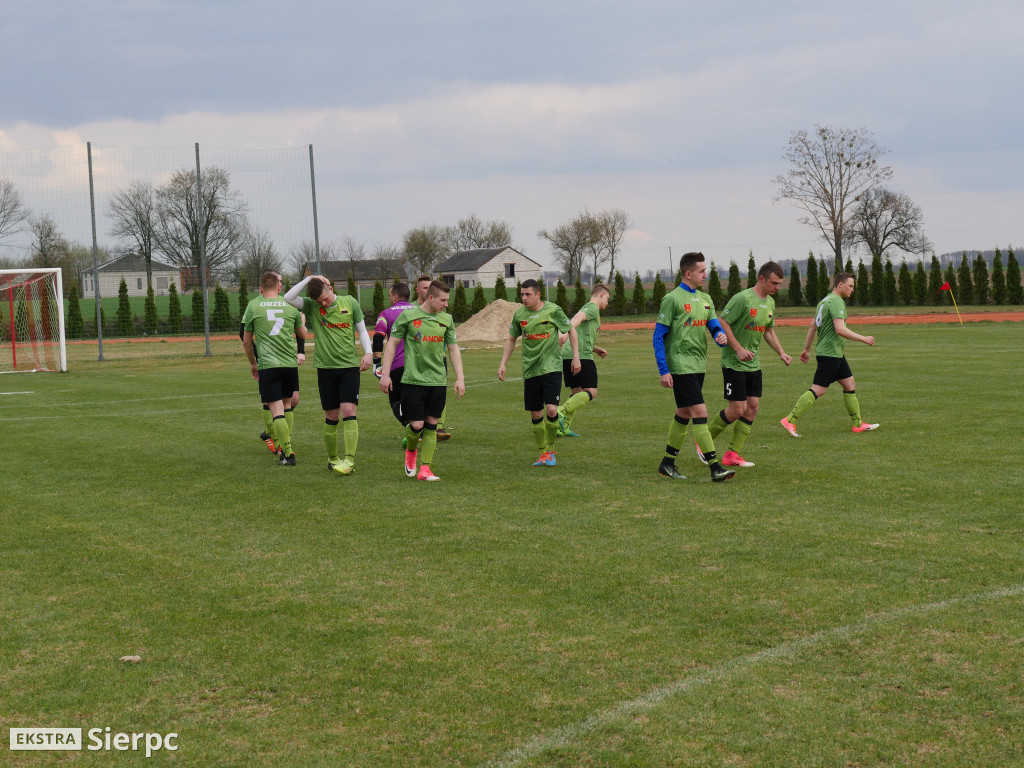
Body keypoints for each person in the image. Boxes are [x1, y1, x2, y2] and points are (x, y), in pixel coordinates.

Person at [698, 261, 792, 468]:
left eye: (779, 284)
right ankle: (704, 440)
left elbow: (768, 330)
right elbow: (723, 322)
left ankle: (732, 454)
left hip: (754, 365)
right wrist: (739, 349)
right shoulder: (743, 298)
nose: (777, 288)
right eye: (774, 283)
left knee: (752, 408)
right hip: (734, 363)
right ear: (761, 278)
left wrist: (781, 353)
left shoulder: (770, 303)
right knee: (737, 410)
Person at [652, 252, 736, 482]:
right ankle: (715, 467)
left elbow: (714, 326)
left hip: (699, 365)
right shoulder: (672, 299)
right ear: (688, 274)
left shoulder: (706, 299)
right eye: (701, 271)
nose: (705, 275)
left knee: (684, 413)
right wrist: (663, 369)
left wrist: (720, 336)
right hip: (680, 366)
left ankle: (667, 463)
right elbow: (658, 337)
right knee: (700, 413)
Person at [283, 274, 373, 475]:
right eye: (319, 301)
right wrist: (309, 278)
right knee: (331, 416)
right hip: (325, 369)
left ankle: (349, 461)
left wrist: (368, 352)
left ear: (330, 288)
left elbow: (362, 330)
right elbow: (288, 298)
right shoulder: (312, 306)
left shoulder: (349, 302)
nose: (323, 303)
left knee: (349, 411)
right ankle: (333, 460)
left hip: (349, 368)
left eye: (325, 298)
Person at [380, 280, 465, 481]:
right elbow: (392, 343)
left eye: (448, 300)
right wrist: (385, 373)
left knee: (432, 424)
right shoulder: (409, 316)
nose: (446, 304)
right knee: (416, 425)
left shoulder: (446, 320)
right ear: (431, 298)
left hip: (437, 381)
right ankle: (411, 452)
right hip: (413, 380)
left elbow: (453, 349)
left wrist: (460, 378)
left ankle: (425, 469)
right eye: (443, 300)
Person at [780, 272, 879, 437]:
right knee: (819, 389)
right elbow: (840, 330)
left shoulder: (824, 301)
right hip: (830, 354)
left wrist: (807, 349)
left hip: (835, 353)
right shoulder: (836, 302)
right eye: (850, 286)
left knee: (849, 384)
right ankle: (790, 419)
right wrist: (863, 338)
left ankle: (858, 424)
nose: (852, 289)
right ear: (840, 285)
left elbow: (813, 326)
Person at [498, 278, 580, 467]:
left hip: (551, 367)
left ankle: (551, 450)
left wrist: (575, 357)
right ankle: (542, 454)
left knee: (551, 409)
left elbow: (571, 331)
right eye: (522, 294)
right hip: (530, 370)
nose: (524, 298)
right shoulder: (519, 315)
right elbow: (511, 339)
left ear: (538, 295)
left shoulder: (553, 310)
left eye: (528, 294)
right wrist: (503, 363)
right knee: (536, 414)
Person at [241, 270, 304, 466]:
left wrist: (253, 363)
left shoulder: (253, 306)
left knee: (275, 409)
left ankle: (287, 453)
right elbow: (303, 333)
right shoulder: (290, 305)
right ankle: (288, 447)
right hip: (289, 364)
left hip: (268, 365)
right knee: (287, 407)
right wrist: (302, 320)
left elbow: (246, 341)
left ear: (260, 288)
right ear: (279, 287)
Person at [555, 283, 610, 437]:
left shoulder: (588, 308)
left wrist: (596, 348)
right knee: (591, 391)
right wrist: (565, 333)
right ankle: (559, 411)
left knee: (577, 392)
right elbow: (576, 319)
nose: (607, 302)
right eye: (607, 298)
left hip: (569, 354)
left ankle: (562, 428)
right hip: (580, 356)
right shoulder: (592, 307)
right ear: (601, 295)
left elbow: (580, 334)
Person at [372, 282, 416, 432]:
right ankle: (421, 428)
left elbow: (378, 338)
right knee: (417, 398)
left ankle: (411, 428)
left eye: (389, 295)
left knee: (395, 399)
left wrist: (377, 363)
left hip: (397, 365)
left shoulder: (386, 314)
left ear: (395, 296)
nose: (389, 298)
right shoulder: (419, 311)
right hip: (419, 364)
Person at [414, 274, 452, 441]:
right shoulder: (410, 312)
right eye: (424, 287)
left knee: (439, 391)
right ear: (418, 291)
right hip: (416, 363)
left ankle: (437, 427)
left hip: (438, 359)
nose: (427, 289)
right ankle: (417, 428)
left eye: (429, 286)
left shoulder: (442, 312)